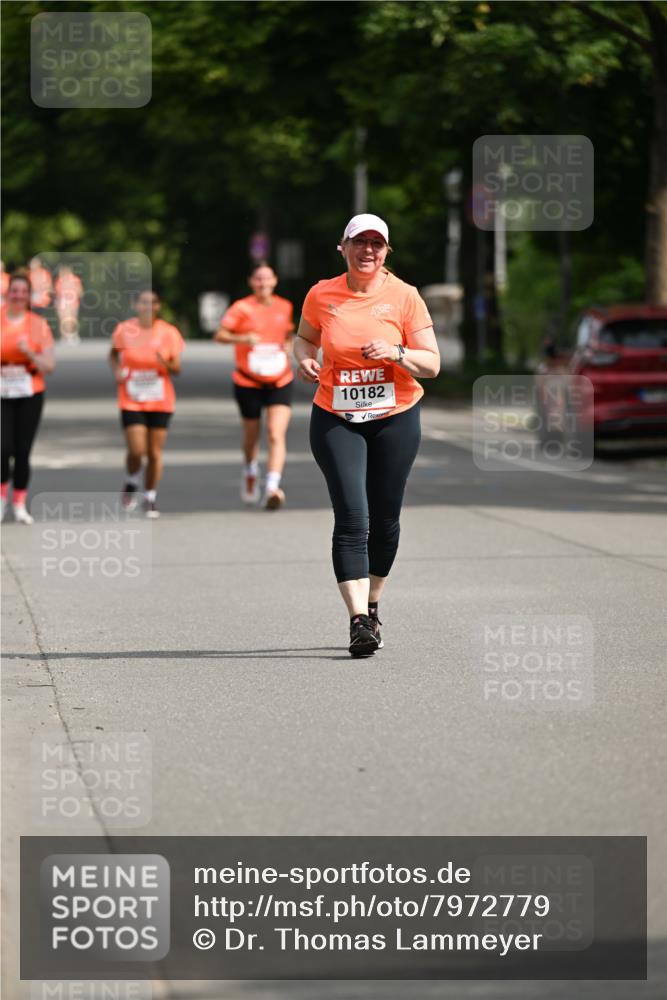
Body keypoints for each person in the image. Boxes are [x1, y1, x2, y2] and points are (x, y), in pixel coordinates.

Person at [295, 214, 440, 657]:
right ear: (344, 247)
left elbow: (432, 365)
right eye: (360, 243)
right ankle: (359, 620)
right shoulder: (322, 294)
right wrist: (302, 359)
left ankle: (373, 601)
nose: (368, 251)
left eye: (377, 244)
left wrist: (397, 352)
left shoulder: (405, 297)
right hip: (336, 416)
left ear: (386, 252)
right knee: (353, 517)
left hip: (395, 415)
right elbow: (303, 339)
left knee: (386, 519)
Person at [214, 263, 294, 509]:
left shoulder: (285, 306)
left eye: (267, 279)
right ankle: (250, 469)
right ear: (251, 282)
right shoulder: (241, 307)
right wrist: (243, 338)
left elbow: (288, 333)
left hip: (280, 378)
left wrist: (289, 347)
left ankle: (272, 486)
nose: (263, 283)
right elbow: (220, 335)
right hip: (248, 380)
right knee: (252, 433)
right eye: (258, 279)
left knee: (275, 433)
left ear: (275, 281)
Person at [109, 288, 185, 519]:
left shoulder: (169, 332)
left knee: (154, 452)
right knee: (136, 450)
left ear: (158, 306)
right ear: (136, 305)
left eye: (152, 302)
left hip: (160, 399)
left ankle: (150, 496)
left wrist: (165, 362)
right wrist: (117, 371)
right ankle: (132, 479)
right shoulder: (124, 330)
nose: (147, 307)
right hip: (131, 398)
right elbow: (113, 354)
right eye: (143, 302)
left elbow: (177, 369)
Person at [1, 271, 56, 523]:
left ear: (28, 296)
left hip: (29, 391)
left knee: (23, 451)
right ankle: (2, 499)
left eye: (24, 292)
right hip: (2, 391)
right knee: (3, 449)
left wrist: (30, 354)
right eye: (15, 291)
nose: (18, 296)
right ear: (7, 293)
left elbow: (49, 365)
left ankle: (20, 503)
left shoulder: (38, 325)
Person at [54, 263, 83, 343]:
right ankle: (64, 337)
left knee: (73, 319)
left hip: (73, 302)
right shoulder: (60, 280)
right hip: (63, 303)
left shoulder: (75, 279)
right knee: (63, 320)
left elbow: (80, 291)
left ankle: (73, 334)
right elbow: (57, 293)